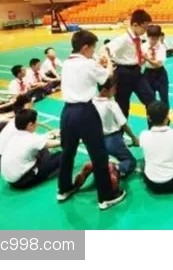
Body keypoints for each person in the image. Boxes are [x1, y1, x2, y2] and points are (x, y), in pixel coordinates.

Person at [58, 29, 126, 210]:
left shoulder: (67, 63)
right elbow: (107, 78)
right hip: (85, 112)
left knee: (68, 152)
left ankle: (64, 189)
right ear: (85, 47)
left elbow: (89, 69)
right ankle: (106, 197)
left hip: (67, 112)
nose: (93, 51)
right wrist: (109, 62)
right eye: (93, 48)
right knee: (99, 154)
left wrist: (98, 61)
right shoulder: (88, 64)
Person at [106, 9, 156, 119]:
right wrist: (108, 64)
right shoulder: (123, 39)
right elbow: (105, 49)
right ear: (135, 25)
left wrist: (141, 57)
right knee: (123, 107)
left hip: (136, 72)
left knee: (151, 99)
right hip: (123, 74)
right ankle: (120, 130)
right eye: (144, 28)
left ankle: (154, 126)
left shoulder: (138, 38)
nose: (146, 31)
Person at [0, 109, 63, 190]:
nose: (37, 123)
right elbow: (58, 143)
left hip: (10, 180)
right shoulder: (32, 139)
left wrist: (54, 135)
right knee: (61, 155)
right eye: (36, 121)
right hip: (23, 181)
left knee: (42, 149)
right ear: (30, 125)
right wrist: (75, 139)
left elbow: (39, 140)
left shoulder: (16, 135)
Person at [93, 74, 139, 178]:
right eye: (113, 89)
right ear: (104, 90)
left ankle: (99, 166)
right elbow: (124, 125)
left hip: (96, 140)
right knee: (130, 161)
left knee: (102, 159)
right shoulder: (111, 104)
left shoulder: (91, 102)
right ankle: (116, 169)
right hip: (112, 140)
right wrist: (134, 138)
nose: (115, 91)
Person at [0, 95, 33, 171]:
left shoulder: (16, 120)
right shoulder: (22, 123)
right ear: (27, 106)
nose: (33, 107)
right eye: (31, 105)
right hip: (1, 160)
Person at [143, 24, 170, 107]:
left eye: (156, 39)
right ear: (148, 37)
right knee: (150, 99)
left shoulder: (161, 47)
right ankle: (150, 115)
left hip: (160, 74)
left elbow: (158, 64)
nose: (153, 41)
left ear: (159, 37)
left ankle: (165, 114)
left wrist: (147, 59)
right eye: (152, 38)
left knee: (164, 98)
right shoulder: (143, 47)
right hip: (148, 74)